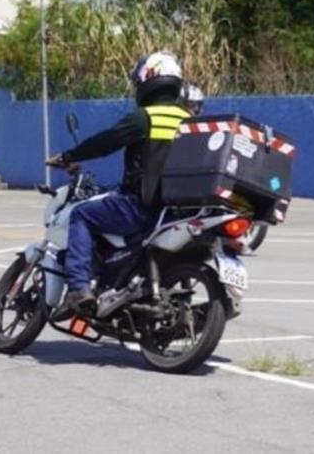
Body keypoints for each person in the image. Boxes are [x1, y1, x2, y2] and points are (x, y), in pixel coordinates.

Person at [46, 51, 201, 313]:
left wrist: (68, 157)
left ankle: (78, 288)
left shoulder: (145, 118)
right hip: (175, 211)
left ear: (148, 81)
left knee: (82, 215)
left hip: (141, 207)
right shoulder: (190, 121)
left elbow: (106, 142)